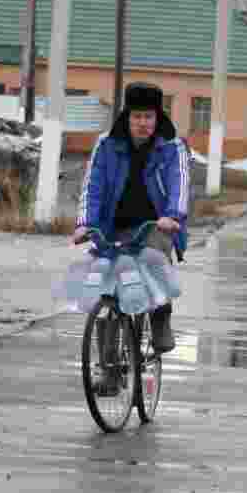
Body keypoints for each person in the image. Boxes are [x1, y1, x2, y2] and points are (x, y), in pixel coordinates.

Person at [72, 82, 191, 354]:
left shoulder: (172, 146)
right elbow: (92, 187)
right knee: (107, 286)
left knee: (153, 260)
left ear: (158, 118)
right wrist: (84, 225)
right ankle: (108, 367)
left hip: (155, 225)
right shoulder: (106, 144)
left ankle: (160, 318)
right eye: (137, 116)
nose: (143, 123)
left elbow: (180, 183)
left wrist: (173, 216)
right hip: (113, 227)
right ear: (127, 116)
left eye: (149, 116)